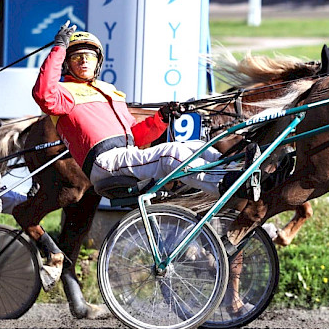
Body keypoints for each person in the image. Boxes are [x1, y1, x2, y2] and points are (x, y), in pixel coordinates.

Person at [29, 21, 261, 286]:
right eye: (76, 56)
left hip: (125, 156)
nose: (83, 60)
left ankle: (238, 173)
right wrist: (59, 47)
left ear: (98, 63)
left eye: (89, 56)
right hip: (105, 164)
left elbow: (137, 136)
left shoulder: (110, 93)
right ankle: (227, 185)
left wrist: (161, 119)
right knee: (171, 154)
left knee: (196, 147)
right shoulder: (63, 94)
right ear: (68, 64)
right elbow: (42, 93)